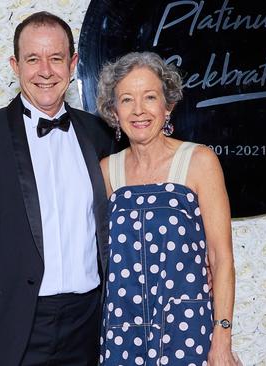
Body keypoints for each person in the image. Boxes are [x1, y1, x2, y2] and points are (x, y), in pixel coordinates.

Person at [0, 11, 114, 366]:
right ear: (15, 66)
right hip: (9, 322)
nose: (45, 71)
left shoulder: (101, 135)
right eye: (33, 59)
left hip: (89, 323)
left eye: (56, 58)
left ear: (73, 63)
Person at [96, 51, 241, 365]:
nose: (139, 111)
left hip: (187, 329)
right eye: (126, 100)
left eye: (149, 97)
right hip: (123, 331)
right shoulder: (107, 172)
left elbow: (221, 257)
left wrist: (222, 337)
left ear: (168, 105)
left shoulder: (199, 162)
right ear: (113, 111)